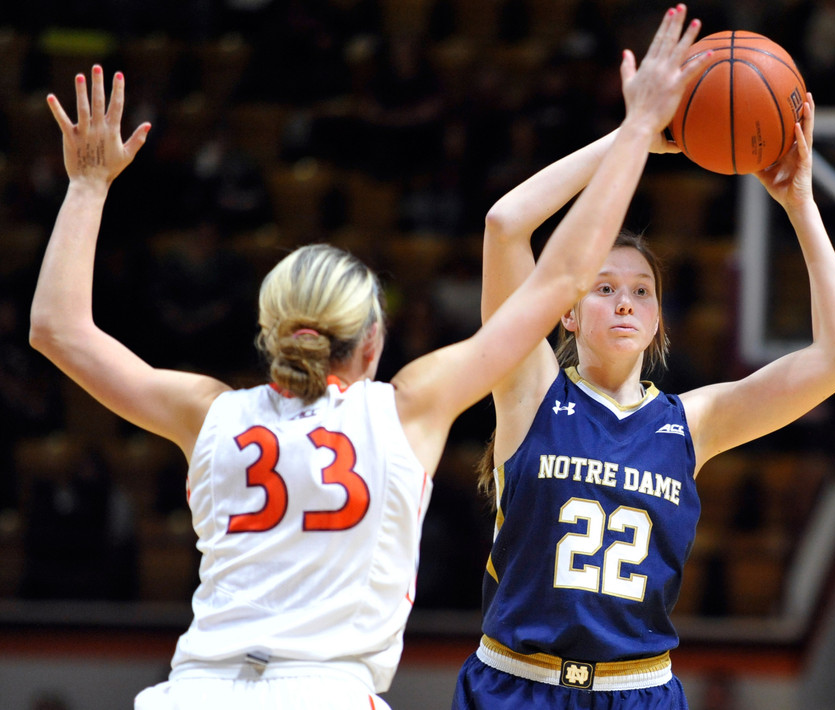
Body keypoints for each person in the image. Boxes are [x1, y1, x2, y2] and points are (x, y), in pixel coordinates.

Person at [29, 8, 711, 709]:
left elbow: (56, 329)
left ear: (269, 330)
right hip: (326, 692)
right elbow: (559, 275)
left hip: (195, 691)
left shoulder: (209, 413)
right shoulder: (407, 410)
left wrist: (87, 186)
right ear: (374, 342)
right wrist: (635, 130)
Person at [452, 70, 835, 710]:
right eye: (604, 288)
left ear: (657, 320)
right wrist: (634, 136)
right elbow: (506, 223)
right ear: (567, 312)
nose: (625, 301)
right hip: (515, 685)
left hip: (638, 691)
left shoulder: (693, 421)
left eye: (641, 291)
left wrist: (800, 204)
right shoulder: (529, 390)